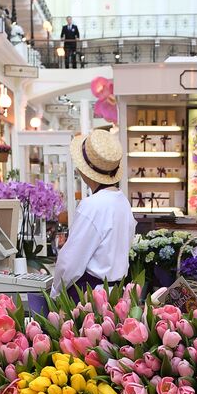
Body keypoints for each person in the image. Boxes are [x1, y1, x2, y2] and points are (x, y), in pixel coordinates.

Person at [52, 127, 135, 300]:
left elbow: (70, 263)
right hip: (116, 294)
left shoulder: (92, 205)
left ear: (84, 170)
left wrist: (55, 292)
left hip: (89, 297)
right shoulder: (122, 202)